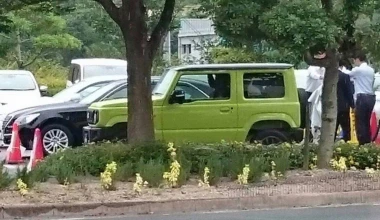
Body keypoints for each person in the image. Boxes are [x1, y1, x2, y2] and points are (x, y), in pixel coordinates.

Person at [345, 52, 376, 145]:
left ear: (358, 59)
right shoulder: (371, 70)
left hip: (361, 97)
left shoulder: (358, 70)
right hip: (370, 97)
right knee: (367, 121)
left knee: (360, 122)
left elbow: (347, 75)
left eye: (354, 61)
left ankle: (362, 143)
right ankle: (368, 142)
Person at [335, 59, 355, 142]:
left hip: (331, 107)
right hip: (343, 106)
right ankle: (347, 144)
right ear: (342, 66)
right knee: (346, 128)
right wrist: (352, 105)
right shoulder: (345, 76)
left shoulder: (328, 76)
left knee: (332, 129)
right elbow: (349, 92)